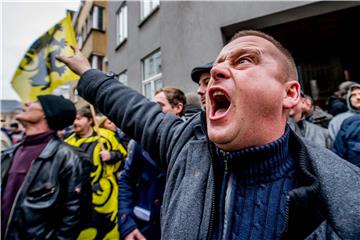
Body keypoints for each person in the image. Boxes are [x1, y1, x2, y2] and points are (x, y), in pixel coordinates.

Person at [58, 30, 360, 239]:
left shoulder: (344, 194)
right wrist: (87, 72)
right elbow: (133, 109)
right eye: (218, 64)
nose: (217, 71)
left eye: (244, 60)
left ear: (290, 93)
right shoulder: (185, 145)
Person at [1, 95, 89, 239]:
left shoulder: (68, 158)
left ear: (47, 113)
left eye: (36, 102)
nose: (27, 103)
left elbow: (74, 216)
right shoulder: (9, 153)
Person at [118, 87, 186, 240]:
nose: (153, 111)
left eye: (159, 106)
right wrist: (126, 223)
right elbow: (126, 181)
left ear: (178, 108)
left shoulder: (193, 144)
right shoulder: (140, 142)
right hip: (141, 229)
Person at [65, 106, 127, 240]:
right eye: (74, 119)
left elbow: (123, 155)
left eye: (79, 119)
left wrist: (111, 156)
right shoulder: (67, 143)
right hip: (79, 196)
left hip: (106, 194)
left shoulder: (106, 137)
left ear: (90, 121)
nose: (74, 122)